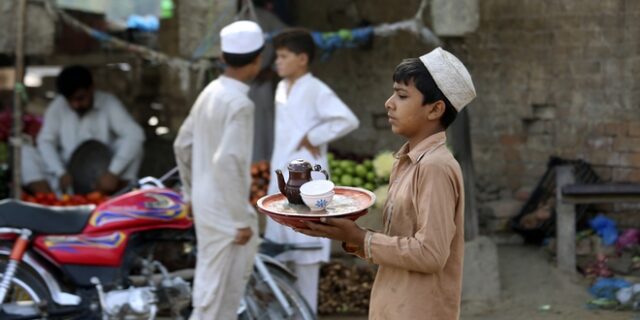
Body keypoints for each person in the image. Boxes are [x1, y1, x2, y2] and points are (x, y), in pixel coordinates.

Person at [296, 47, 477, 319]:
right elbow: (399, 244)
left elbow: (430, 254)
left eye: (402, 95)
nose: (389, 103)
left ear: (435, 109)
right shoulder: (406, 161)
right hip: (392, 305)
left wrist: (361, 237)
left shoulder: (435, 166)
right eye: (394, 93)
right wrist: (351, 237)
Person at [264, 28, 359, 314]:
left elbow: (347, 119)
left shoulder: (316, 88)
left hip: (308, 176)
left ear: (302, 58)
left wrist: (314, 137)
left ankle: (307, 314)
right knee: (281, 257)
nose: (277, 62)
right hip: (280, 174)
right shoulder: (281, 88)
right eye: (277, 56)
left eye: (283, 56)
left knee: (305, 256)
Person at [173, 20, 264, 320]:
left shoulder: (211, 91)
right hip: (226, 209)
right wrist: (240, 219)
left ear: (223, 58)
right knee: (218, 299)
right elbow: (227, 161)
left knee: (211, 292)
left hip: (205, 201)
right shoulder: (239, 103)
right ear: (257, 61)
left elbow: (182, 145)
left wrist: (190, 192)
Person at [24, 65, 145, 195]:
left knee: (135, 147)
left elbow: (135, 134)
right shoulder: (58, 106)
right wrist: (60, 172)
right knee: (24, 152)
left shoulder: (108, 102)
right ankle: (48, 201)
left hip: (103, 176)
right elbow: (45, 142)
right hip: (66, 178)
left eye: (80, 98)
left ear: (91, 88)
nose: (75, 104)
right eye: (70, 100)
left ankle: (119, 196)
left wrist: (113, 172)